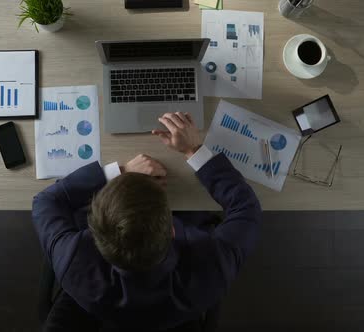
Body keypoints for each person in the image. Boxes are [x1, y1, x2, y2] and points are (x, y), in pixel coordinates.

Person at [32, 112, 262, 331]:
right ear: (172, 230)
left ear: (94, 234)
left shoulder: (73, 260)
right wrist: (194, 149)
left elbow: (45, 200)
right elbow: (246, 207)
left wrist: (120, 171)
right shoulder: (212, 268)